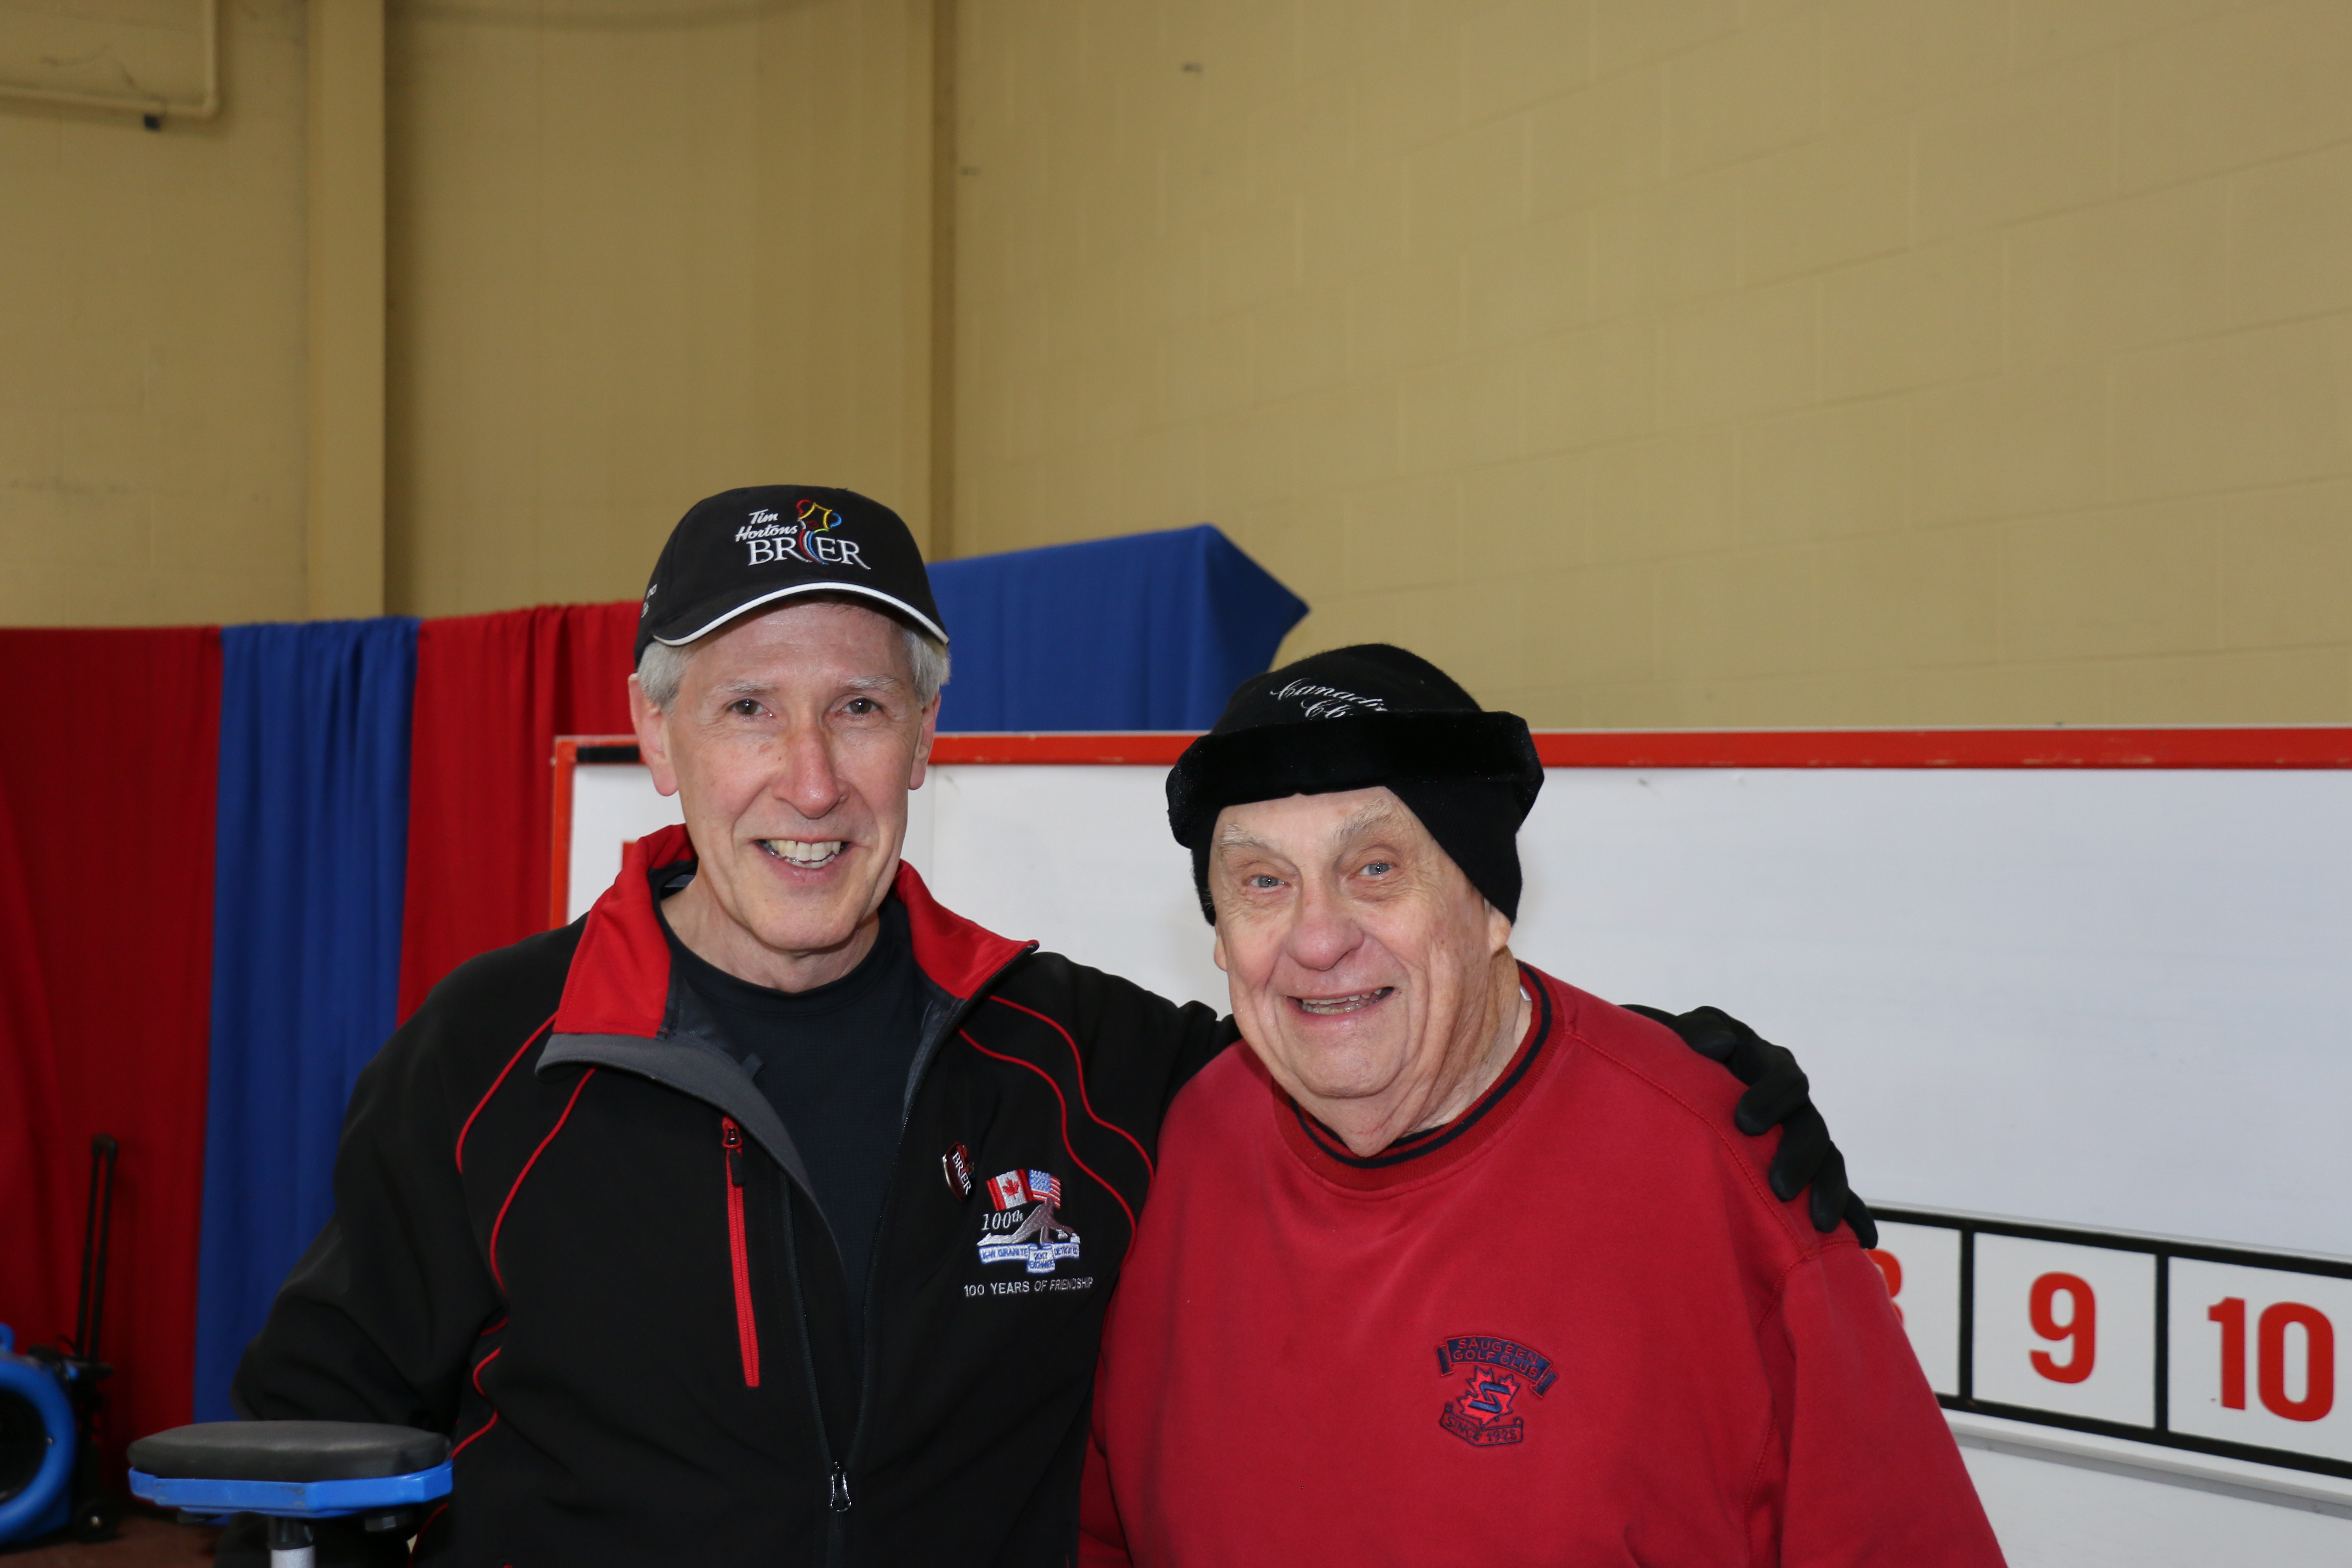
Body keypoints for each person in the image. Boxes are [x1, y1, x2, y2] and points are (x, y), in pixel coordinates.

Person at [233, 487, 1878, 1566]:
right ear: (656, 738)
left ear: (925, 739)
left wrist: (1664, 1065)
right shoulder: (491, 1055)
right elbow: (308, 1444)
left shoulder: (1082, 1057)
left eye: (859, 707)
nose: (810, 777)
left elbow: (1373, 1038)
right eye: (747, 708)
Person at [1078, 644, 2003, 1567]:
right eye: (1263, 882)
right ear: (1220, 934)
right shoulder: (1160, 1154)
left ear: (1491, 906)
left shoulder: (1721, 1177)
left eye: (1377, 868)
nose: (1318, 939)